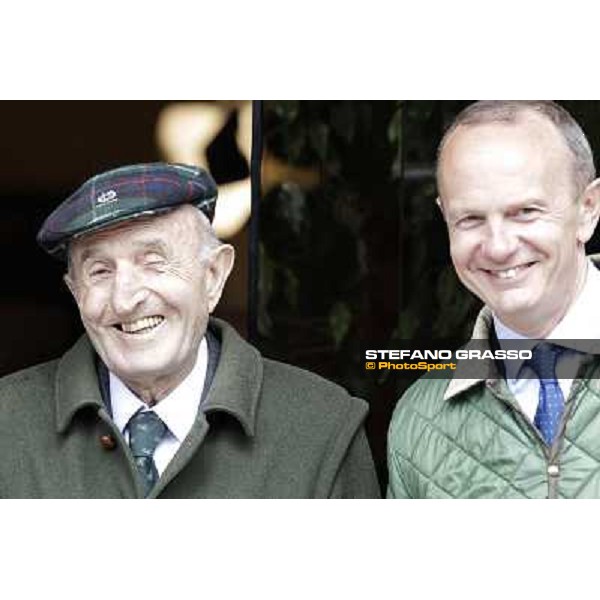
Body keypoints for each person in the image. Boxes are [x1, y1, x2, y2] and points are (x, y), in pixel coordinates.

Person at [0, 162, 380, 498]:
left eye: (153, 261)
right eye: (100, 271)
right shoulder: (9, 422)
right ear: (75, 291)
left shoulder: (322, 429)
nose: (125, 299)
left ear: (213, 277)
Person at [387, 101, 600, 498]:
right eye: (470, 219)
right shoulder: (419, 420)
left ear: (588, 209)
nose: (499, 247)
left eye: (525, 212)